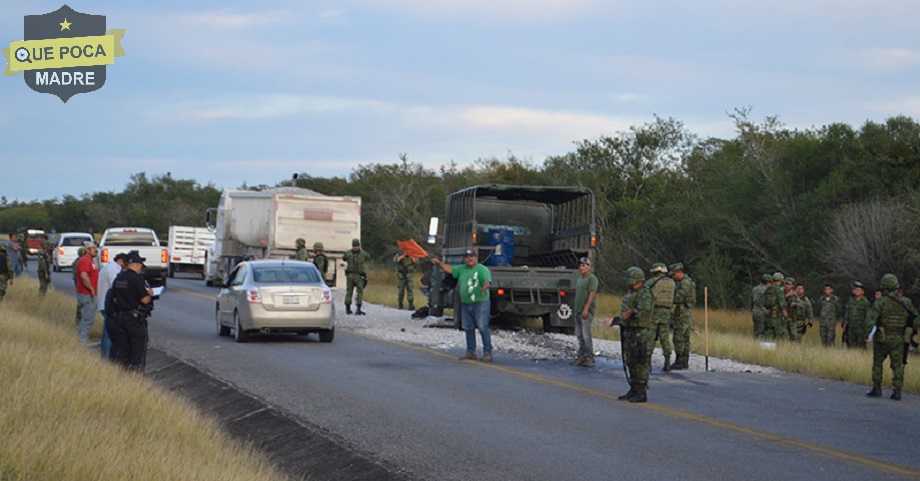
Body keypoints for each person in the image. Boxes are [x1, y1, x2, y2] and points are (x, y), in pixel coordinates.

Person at [431, 249, 493, 362]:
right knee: (468, 328)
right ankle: (471, 352)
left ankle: (487, 352)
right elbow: (449, 269)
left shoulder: (482, 269)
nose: (469, 259)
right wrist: (439, 263)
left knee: (482, 327)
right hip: (466, 303)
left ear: (476, 258)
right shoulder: (462, 269)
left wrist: (485, 287)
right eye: (467, 257)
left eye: (471, 257)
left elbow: (487, 281)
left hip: (480, 302)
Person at [865, 274, 917, 400]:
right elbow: (915, 319)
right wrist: (910, 332)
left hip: (882, 337)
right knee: (897, 365)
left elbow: (869, 320)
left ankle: (877, 388)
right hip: (899, 338)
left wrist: (867, 335)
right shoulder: (905, 301)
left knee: (878, 363)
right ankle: (897, 391)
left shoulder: (880, 302)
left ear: (884, 287)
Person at [110, 251, 153, 372]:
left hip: (120, 317)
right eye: (140, 264)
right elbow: (144, 300)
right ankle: (134, 374)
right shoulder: (137, 279)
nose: (141, 267)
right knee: (137, 348)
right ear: (135, 264)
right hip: (134, 319)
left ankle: (121, 372)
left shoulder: (119, 278)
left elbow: (114, 299)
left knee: (123, 348)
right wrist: (150, 295)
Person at [616, 266, 655, 403]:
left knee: (640, 361)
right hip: (630, 331)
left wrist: (631, 312)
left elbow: (644, 309)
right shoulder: (632, 293)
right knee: (631, 360)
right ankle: (634, 388)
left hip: (641, 332)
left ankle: (641, 391)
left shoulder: (645, 293)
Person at [98, 252, 127, 359]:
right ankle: (106, 358)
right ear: (121, 261)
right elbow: (117, 287)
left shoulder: (106, 268)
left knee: (107, 332)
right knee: (109, 334)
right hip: (109, 305)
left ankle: (105, 357)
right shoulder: (114, 269)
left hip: (102, 303)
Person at [646, 262, 675, 371]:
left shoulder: (651, 282)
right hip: (666, 312)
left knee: (651, 337)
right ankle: (667, 362)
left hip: (654, 312)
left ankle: (648, 363)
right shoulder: (672, 282)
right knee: (665, 338)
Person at [571, 257, 598, 367]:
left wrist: (586, 309)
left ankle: (589, 358)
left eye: (584, 265)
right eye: (580, 265)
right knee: (580, 336)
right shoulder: (580, 279)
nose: (581, 267)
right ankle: (581, 356)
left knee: (586, 336)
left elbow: (592, 294)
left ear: (589, 266)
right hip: (578, 311)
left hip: (586, 312)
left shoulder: (592, 279)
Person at [670, 263, 695, 370]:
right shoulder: (685, 281)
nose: (673, 277)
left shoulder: (685, 283)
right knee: (685, 337)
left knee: (679, 336)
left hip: (682, 312)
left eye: (673, 275)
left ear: (678, 272)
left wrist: (669, 299)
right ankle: (684, 361)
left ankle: (680, 360)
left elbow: (679, 297)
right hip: (683, 311)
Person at [75, 241, 100, 345]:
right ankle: (82, 341)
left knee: (88, 317)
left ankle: (83, 339)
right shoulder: (85, 260)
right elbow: (84, 276)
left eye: (95, 248)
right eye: (93, 248)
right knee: (87, 318)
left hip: (88, 293)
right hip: (86, 294)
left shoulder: (91, 261)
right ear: (87, 250)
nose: (95, 250)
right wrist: (91, 288)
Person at [342, 238, 371, 315]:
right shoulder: (363, 254)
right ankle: (358, 309)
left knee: (349, 291)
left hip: (350, 275)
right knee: (359, 292)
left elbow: (343, 258)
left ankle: (348, 308)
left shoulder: (348, 253)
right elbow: (369, 257)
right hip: (359, 276)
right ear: (359, 245)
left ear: (352, 245)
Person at [844, 281, 870, 349]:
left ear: (862, 292)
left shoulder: (865, 302)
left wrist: (867, 330)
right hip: (851, 327)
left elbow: (868, 316)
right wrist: (845, 323)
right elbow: (848, 313)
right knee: (851, 345)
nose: (856, 291)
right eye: (854, 290)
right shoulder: (851, 301)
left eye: (858, 290)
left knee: (861, 345)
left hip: (860, 328)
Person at [763, 273, 787, 340]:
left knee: (769, 332)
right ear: (780, 280)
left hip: (768, 313)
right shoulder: (778, 289)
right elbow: (782, 302)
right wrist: (785, 314)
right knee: (779, 332)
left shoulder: (768, 288)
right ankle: (779, 347)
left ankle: (767, 347)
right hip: (776, 313)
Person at [752, 274, 772, 339]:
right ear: (768, 282)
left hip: (755, 311)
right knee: (762, 331)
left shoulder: (755, 289)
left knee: (756, 330)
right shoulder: (765, 290)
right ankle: (760, 345)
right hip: (762, 312)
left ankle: (754, 343)